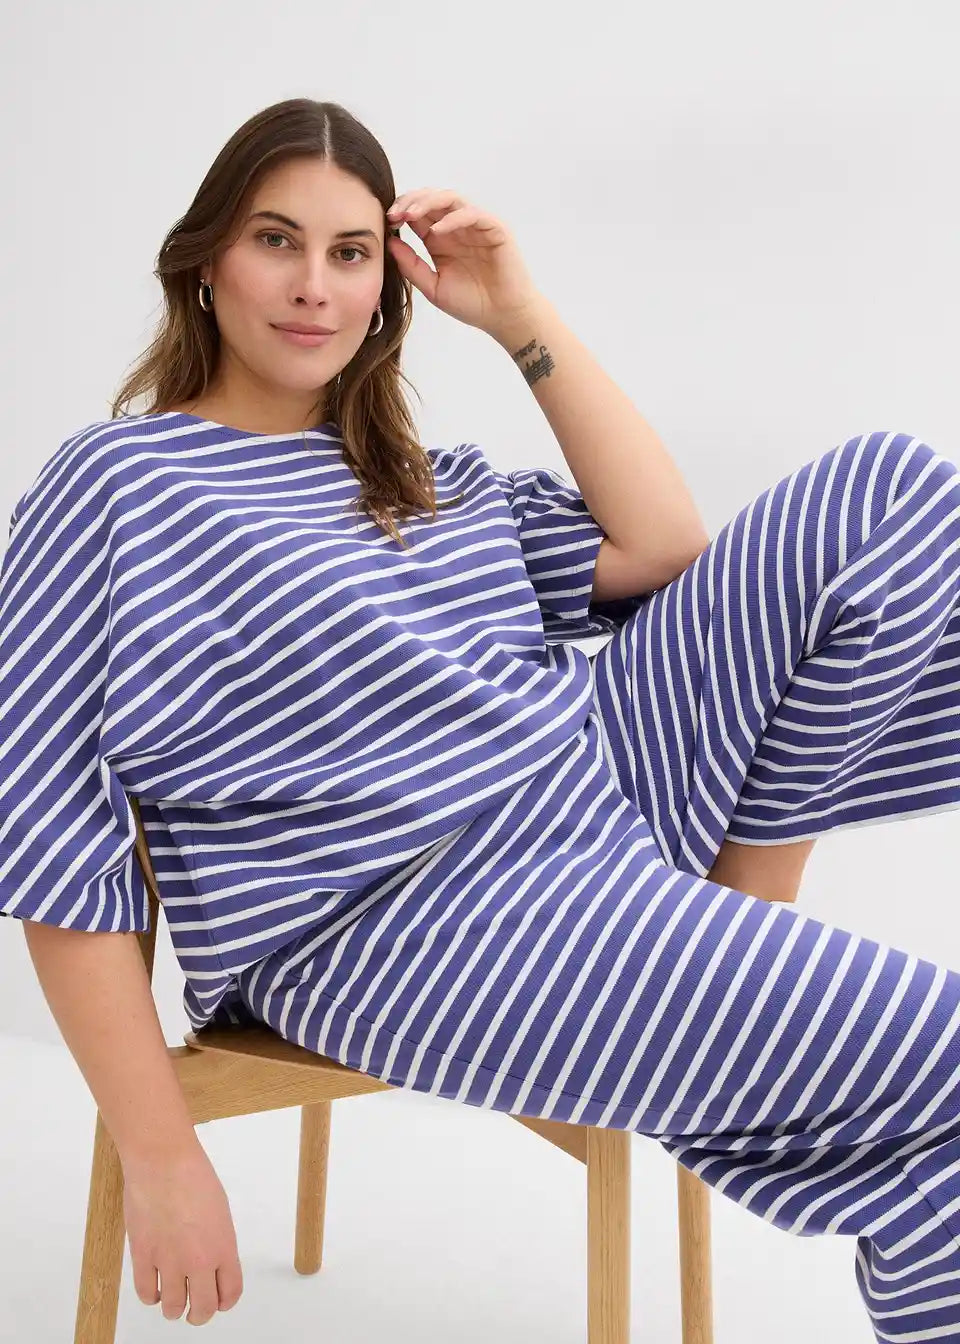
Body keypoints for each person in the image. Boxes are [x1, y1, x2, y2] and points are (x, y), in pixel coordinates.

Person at [2, 96, 960, 1339]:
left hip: (594, 801)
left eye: (351, 253)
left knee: (889, 491)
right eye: (276, 240)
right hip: (392, 919)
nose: (314, 286)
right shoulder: (116, 485)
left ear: (384, 288)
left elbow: (666, 549)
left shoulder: (425, 480)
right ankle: (709, 997)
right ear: (205, 263)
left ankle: (722, 938)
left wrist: (518, 315)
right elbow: (52, 828)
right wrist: (163, 1157)